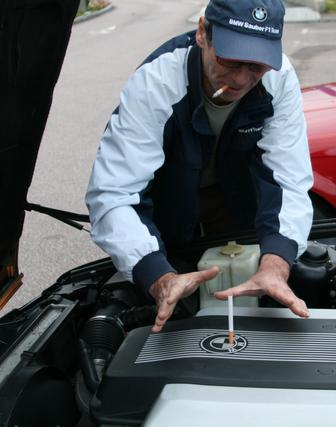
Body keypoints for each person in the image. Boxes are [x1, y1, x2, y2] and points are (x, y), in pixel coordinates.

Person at [85, 0, 313, 333]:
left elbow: (288, 178)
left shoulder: (279, 78)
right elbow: (114, 194)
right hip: (168, 214)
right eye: (230, 59)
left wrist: (275, 265)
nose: (241, 78)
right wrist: (159, 277)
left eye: (256, 65)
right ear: (203, 32)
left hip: (236, 214)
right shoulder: (156, 81)